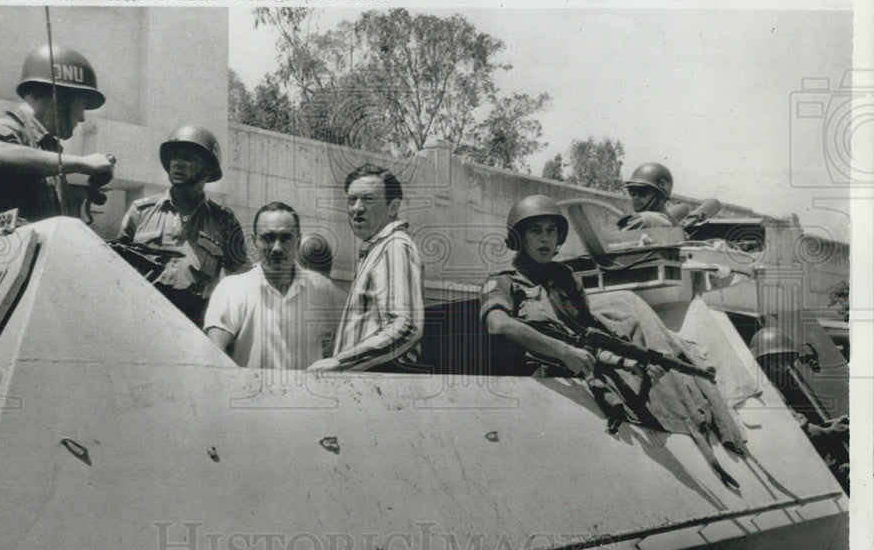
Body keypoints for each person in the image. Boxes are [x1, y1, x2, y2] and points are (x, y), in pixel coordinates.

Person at [482, 194, 745, 480]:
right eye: (536, 231)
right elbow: (499, 325)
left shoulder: (563, 277)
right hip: (537, 386)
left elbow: (584, 338)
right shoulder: (503, 281)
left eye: (551, 231)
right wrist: (564, 352)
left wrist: (629, 364)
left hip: (579, 380)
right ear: (519, 238)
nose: (545, 239)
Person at [0, 44, 116, 225]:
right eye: (82, 105)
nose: (82, 117)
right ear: (61, 98)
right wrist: (83, 163)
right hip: (8, 249)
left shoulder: (47, 148)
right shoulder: (6, 123)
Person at [118, 125, 247, 324]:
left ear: (208, 170)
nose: (178, 163)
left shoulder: (223, 221)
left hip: (194, 325)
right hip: (143, 319)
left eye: (189, 158)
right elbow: (117, 272)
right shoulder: (141, 212)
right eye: (175, 156)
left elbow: (240, 281)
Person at [308, 164, 423, 372]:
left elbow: (407, 326)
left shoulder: (395, 246)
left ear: (393, 207)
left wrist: (341, 362)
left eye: (368, 199)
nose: (357, 208)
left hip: (383, 381)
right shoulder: (377, 248)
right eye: (352, 199)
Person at [204, 203, 344, 369]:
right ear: (254, 242)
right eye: (267, 238)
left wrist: (338, 363)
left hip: (306, 394)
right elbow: (214, 350)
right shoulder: (232, 288)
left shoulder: (323, 289)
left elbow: (359, 332)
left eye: (286, 238)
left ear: (298, 242)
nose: (277, 248)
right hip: (253, 393)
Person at [616, 162, 678, 231]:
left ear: (659, 195)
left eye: (642, 192)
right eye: (632, 191)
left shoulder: (644, 220)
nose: (636, 197)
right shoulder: (676, 225)